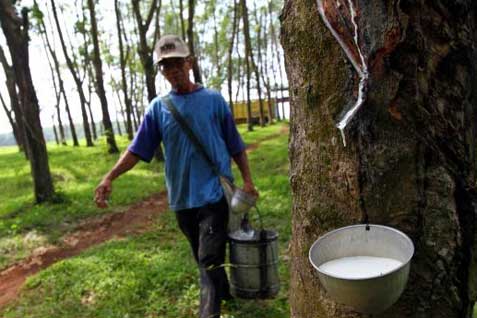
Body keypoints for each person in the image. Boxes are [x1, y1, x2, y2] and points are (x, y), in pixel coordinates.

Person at [94, 34, 258, 318]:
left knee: (208, 259)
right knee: (203, 256)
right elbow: (136, 150)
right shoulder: (158, 108)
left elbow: (235, 144)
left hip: (214, 195)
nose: (173, 70)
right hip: (182, 200)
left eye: (178, 63)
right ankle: (225, 293)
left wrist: (247, 180)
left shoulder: (213, 100)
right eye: (166, 66)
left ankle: (209, 313)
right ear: (161, 71)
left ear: (189, 63)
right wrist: (110, 177)